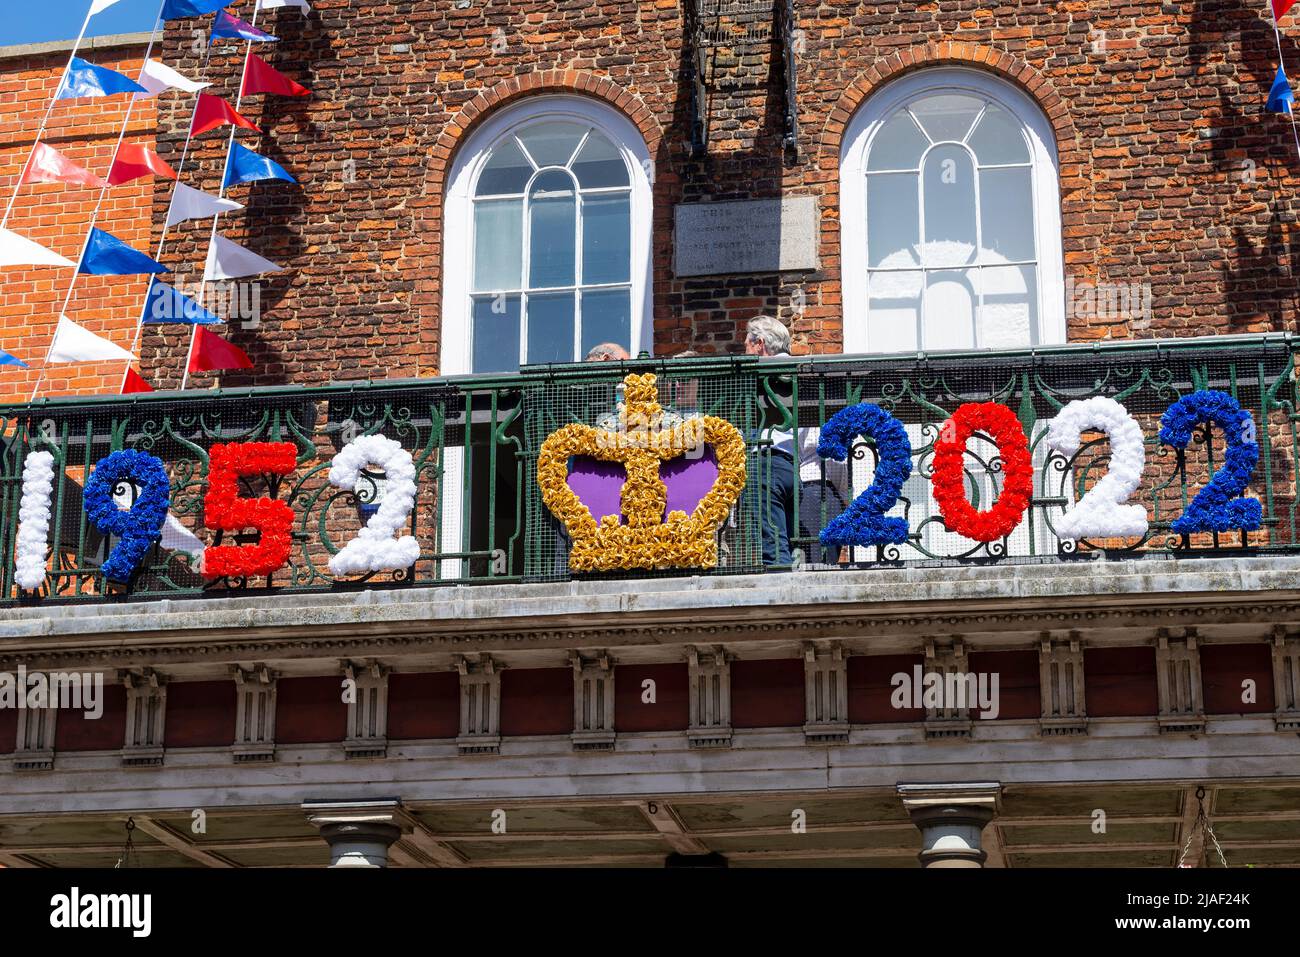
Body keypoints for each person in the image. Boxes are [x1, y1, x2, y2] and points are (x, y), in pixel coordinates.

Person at [744, 315, 849, 566]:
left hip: (766, 463)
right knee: (787, 543)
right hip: (793, 470)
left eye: (746, 345)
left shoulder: (754, 375)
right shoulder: (801, 373)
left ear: (759, 344)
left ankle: (778, 595)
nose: (745, 351)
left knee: (774, 547)